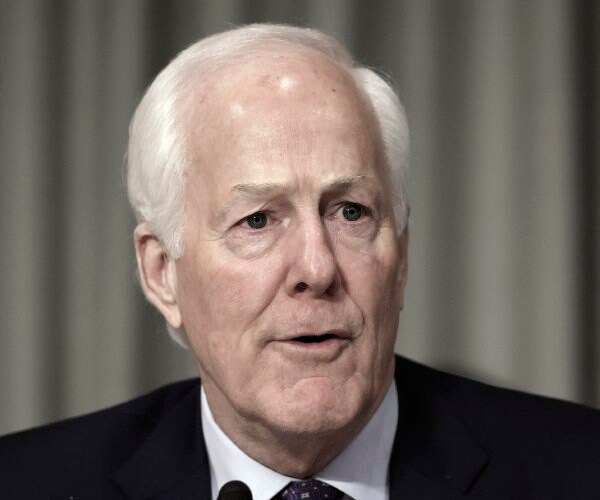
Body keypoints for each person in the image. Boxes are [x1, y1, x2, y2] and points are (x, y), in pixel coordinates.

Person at [0, 23, 599, 500]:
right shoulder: (25, 482)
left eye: (351, 212)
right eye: (258, 220)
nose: (318, 268)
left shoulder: (580, 470)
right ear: (162, 274)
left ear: (401, 259)